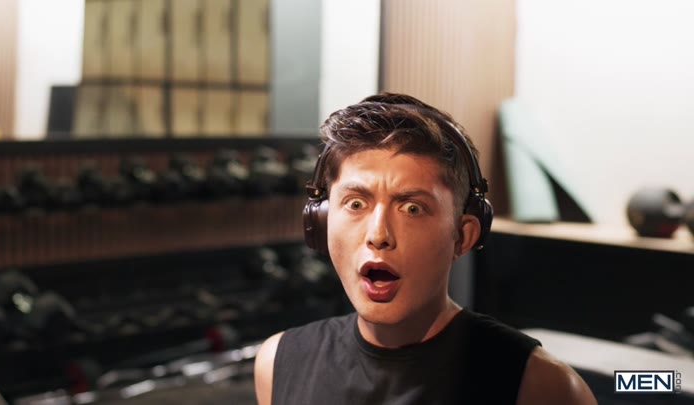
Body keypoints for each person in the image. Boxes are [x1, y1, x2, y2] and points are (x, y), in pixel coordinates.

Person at [254, 93, 596, 404]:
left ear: (462, 236)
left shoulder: (542, 387)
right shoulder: (279, 363)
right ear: (320, 221)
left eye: (412, 208)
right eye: (356, 204)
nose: (378, 234)